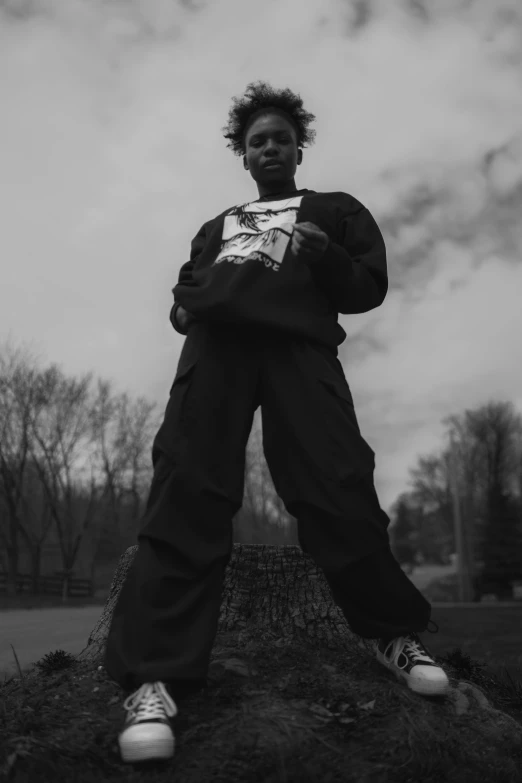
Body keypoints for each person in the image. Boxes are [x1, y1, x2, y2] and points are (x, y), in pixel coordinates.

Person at [104, 80, 449, 765]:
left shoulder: (335, 209)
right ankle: (154, 677)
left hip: (300, 349)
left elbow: (366, 288)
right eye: (256, 139)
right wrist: (183, 311)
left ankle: (391, 634)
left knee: (337, 481)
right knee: (186, 490)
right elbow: (186, 287)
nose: (269, 146)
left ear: (298, 146)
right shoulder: (219, 224)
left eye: (281, 137)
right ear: (242, 152)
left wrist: (322, 253)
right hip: (217, 351)